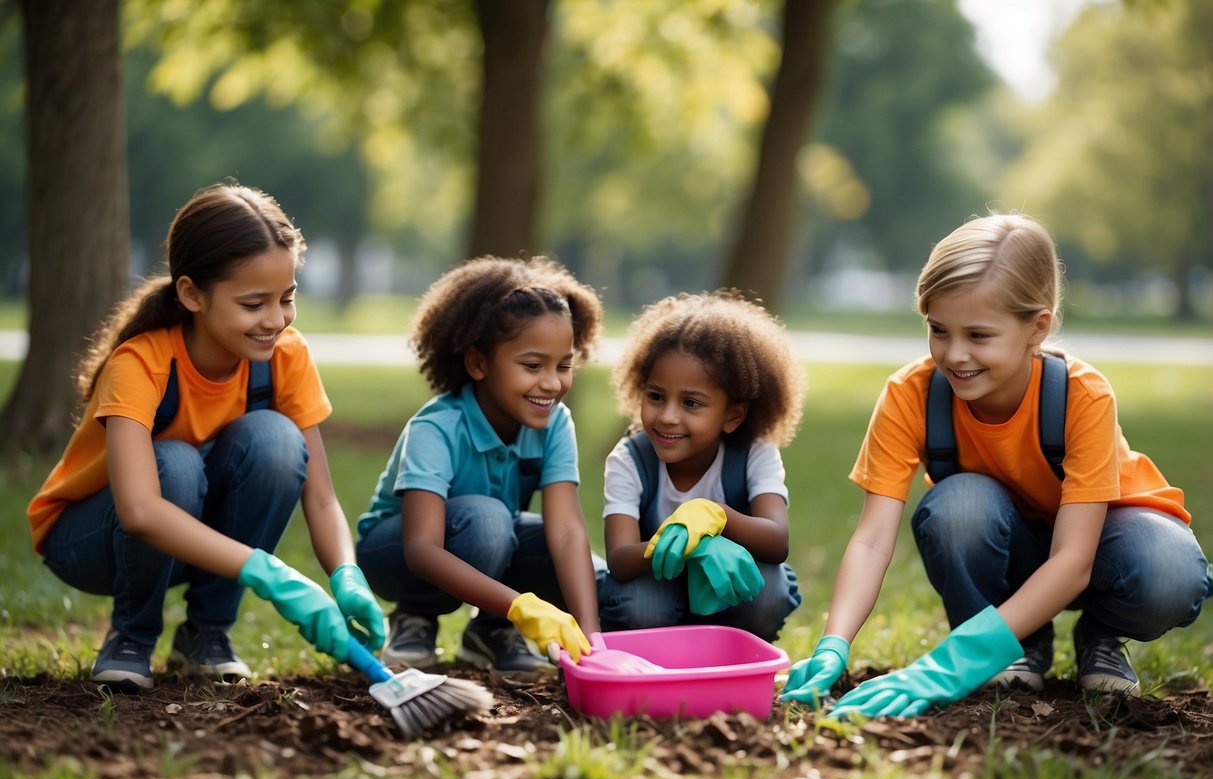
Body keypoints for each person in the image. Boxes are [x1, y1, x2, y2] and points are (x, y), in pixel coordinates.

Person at [780, 213, 1211, 718]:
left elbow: (1075, 560)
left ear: (1038, 328)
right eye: (938, 330)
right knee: (957, 508)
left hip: (1106, 549)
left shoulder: (1083, 396)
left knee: (1167, 573)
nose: (955, 354)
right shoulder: (910, 395)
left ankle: (1101, 635)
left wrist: (957, 660)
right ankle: (1018, 639)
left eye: (979, 335)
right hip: (1009, 546)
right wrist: (835, 642)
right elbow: (873, 539)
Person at [29, 182, 384, 693]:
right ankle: (132, 636)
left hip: (191, 532)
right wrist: (269, 573)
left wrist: (347, 576)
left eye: (287, 298)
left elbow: (322, 496)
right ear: (193, 294)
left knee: (279, 442)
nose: (275, 320)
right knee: (173, 464)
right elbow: (140, 510)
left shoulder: (286, 355)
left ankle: (207, 634)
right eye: (253, 303)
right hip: (89, 540)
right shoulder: (142, 363)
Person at [355, 255, 601, 681]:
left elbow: (567, 531)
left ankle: (490, 631)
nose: (552, 383)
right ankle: (415, 617)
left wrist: (593, 640)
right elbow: (422, 548)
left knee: (581, 563)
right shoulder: (438, 425)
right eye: (532, 366)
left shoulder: (555, 420)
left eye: (564, 365)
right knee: (487, 519)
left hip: (490, 538)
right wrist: (521, 606)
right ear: (478, 364)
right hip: (397, 552)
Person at [597, 290, 805, 641]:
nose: (667, 417)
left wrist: (715, 516)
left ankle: (728, 650)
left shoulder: (755, 452)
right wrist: (690, 546)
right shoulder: (630, 459)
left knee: (768, 588)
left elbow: (776, 540)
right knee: (638, 605)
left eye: (691, 403)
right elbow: (619, 557)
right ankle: (664, 650)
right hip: (656, 588)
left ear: (733, 415)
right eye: (656, 397)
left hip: (723, 587)